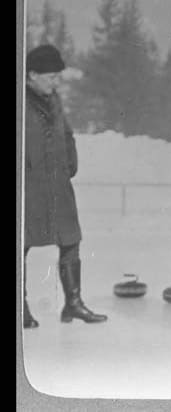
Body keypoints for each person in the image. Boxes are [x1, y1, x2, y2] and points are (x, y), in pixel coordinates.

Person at [23, 44, 108, 329]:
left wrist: (71, 161)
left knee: (71, 239)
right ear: (31, 75)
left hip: (57, 184)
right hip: (28, 187)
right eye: (51, 77)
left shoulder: (54, 98)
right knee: (20, 245)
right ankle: (19, 308)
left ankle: (73, 304)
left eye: (58, 77)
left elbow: (67, 132)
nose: (56, 82)